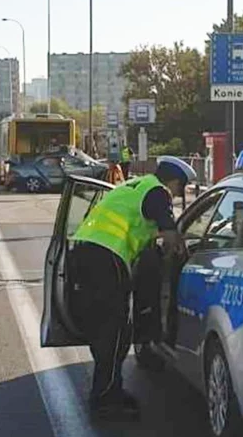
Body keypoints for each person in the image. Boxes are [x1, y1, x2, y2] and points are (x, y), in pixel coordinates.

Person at [68, 155, 197, 420]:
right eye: (180, 188)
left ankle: (111, 390)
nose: (176, 194)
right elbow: (170, 233)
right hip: (107, 256)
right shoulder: (157, 193)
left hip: (83, 252)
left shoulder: (135, 186)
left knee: (109, 329)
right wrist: (179, 252)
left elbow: (144, 229)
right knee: (114, 331)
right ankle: (104, 399)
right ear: (174, 182)